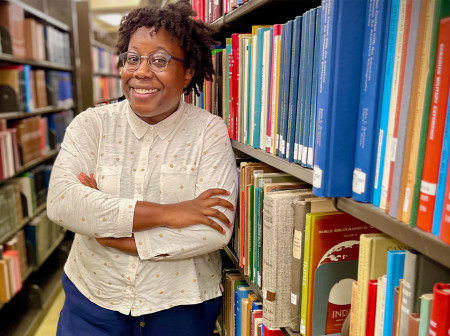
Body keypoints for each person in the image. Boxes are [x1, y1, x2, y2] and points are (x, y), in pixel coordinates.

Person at [46, 1, 238, 335]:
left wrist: (110, 232)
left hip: (180, 306)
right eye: (132, 58)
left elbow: (213, 230)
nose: (141, 72)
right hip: (93, 298)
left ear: (188, 71)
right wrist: (169, 212)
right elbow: (63, 203)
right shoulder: (91, 125)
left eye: (159, 60)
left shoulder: (210, 131)